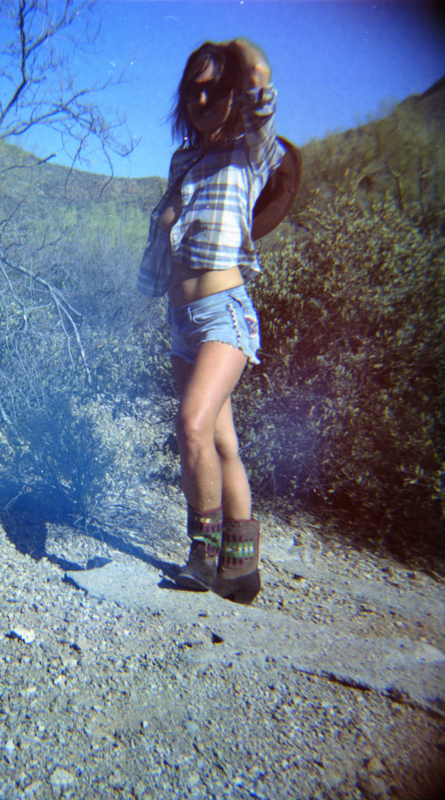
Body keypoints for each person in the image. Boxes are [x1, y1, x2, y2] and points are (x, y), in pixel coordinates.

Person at [148, 39, 283, 603]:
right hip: (181, 317)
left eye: (214, 87)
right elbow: (164, 243)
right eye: (193, 89)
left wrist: (228, 53)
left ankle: (201, 558)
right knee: (220, 440)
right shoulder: (183, 160)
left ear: (232, 93)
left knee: (192, 426)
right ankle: (241, 569)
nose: (203, 98)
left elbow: (258, 74)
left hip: (224, 312)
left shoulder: (251, 147)